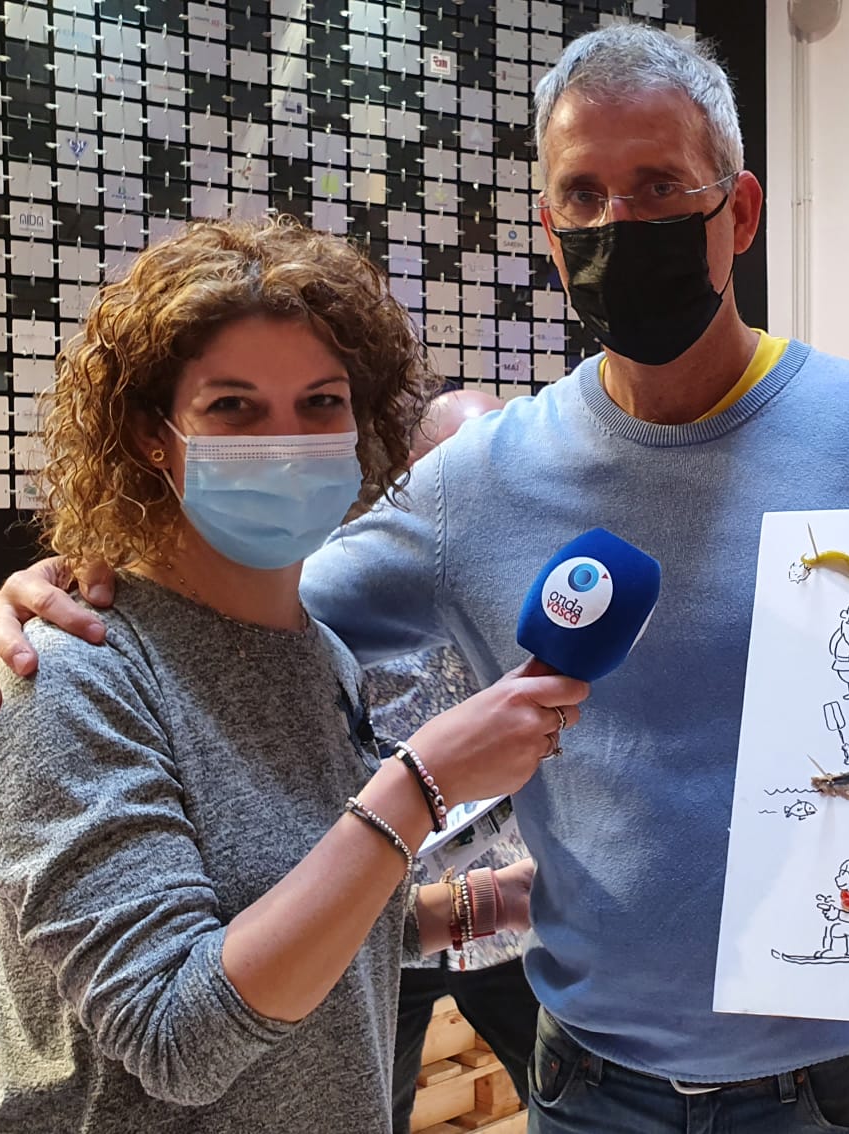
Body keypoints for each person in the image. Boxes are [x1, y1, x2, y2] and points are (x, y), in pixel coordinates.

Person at [0, 25, 849, 1133]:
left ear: (740, 212)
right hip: (595, 1087)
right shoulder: (478, 482)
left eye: (658, 186)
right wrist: (60, 591)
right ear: (551, 230)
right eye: (584, 195)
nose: (619, 223)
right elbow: (234, 606)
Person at [0, 218, 589, 1132]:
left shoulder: (320, 653)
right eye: (235, 407)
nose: (286, 440)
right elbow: (176, 1037)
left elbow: (309, 924)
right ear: (153, 435)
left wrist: (499, 900)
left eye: (322, 402)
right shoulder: (71, 674)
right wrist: (421, 786)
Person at [369, 386, 550, 1131]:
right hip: (385, 912)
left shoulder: (548, 577)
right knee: (370, 1112)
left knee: (569, 1101)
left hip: (513, 905)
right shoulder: (347, 574)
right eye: (460, 468)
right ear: (412, 472)